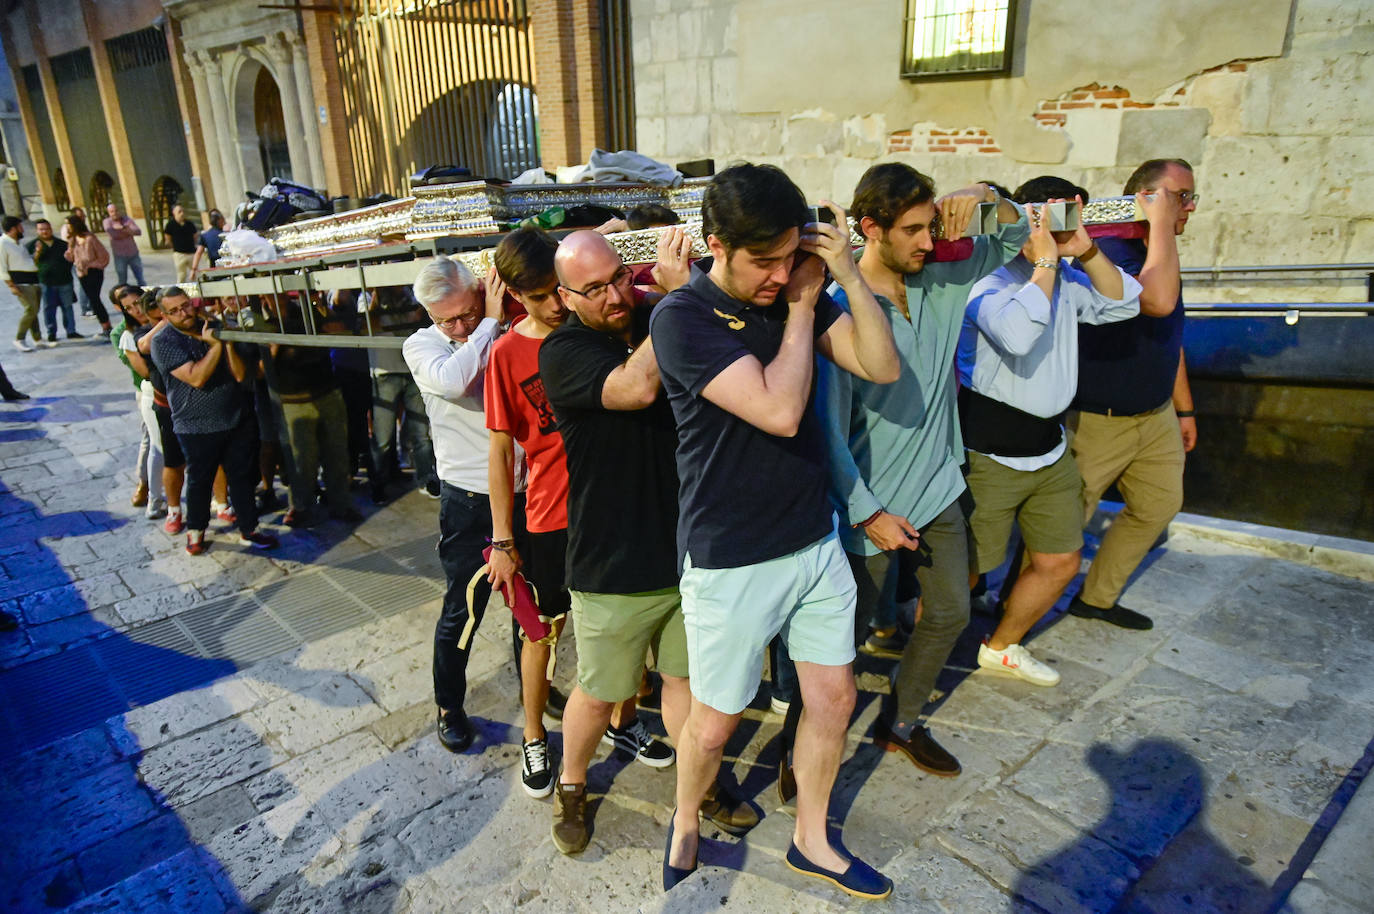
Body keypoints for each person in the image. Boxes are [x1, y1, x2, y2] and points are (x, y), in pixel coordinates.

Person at [650, 163, 900, 898]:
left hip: (813, 541)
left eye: (794, 256)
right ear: (716, 244)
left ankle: (811, 837)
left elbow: (880, 367)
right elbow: (779, 410)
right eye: (764, 260)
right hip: (731, 559)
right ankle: (687, 819)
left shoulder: (800, 288)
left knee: (833, 699)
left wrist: (847, 276)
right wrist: (798, 308)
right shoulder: (682, 318)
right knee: (715, 725)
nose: (781, 274)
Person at [540, 231, 755, 855]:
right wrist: (676, 300)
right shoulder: (565, 350)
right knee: (602, 688)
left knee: (686, 684)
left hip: (687, 551)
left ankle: (700, 786)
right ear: (565, 296)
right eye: (595, 288)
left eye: (619, 277)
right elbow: (635, 388)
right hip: (612, 559)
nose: (615, 294)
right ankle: (573, 786)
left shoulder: (653, 317)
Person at [816, 164, 1028, 778]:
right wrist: (868, 513)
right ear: (870, 229)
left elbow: (1016, 237)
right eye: (913, 230)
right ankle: (806, 741)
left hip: (939, 487)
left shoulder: (943, 277)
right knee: (841, 645)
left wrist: (985, 195)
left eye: (931, 226)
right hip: (872, 507)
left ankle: (900, 723)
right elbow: (827, 432)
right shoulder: (838, 310)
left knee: (951, 615)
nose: (928, 242)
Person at [957, 177, 1141, 687]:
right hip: (990, 455)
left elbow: (1124, 303)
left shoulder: (1065, 277)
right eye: (1049, 219)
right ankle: (924, 649)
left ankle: (1001, 646)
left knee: (1060, 560)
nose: (1057, 231)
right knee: (967, 572)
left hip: (1051, 451)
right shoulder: (986, 279)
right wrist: (1042, 260)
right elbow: (1016, 335)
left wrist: (1086, 250)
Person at [1066, 159, 1200, 630]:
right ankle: (1016, 611)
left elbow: (1170, 335)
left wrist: (1184, 408)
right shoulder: (1109, 248)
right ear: (1143, 197)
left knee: (1158, 506)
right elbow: (1155, 300)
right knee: (1062, 528)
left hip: (1156, 413)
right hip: (1097, 419)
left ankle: (1096, 598)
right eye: (1177, 196)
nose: (1186, 208)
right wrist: (1160, 225)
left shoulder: (1160, 250)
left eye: (1190, 197)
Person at [402, 257, 512, 753]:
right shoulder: (423, 345)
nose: (462, 326)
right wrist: (488, 322)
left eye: (468, 313)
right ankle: (450, 703)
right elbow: (455, 382)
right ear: (429, 314)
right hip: (470, 495)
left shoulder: (501, 327)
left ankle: (538, 683)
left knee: (535, 602)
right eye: (449, 320)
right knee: (464, 607)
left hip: (526, 488)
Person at [484, 226, 573, 800]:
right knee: (539, 633)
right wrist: (501, 540)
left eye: (560, 288)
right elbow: (500, 451)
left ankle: (620, 722)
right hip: (547, 518)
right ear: (517, 295)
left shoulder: (590, 325)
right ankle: (535, 734)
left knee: (615, 622)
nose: (557, 303)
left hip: (610, 508)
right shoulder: (507, 354)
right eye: (542, 295)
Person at [149, 287, 277, 554]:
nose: (184, 313)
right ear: (164, 315)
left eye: (185, 305)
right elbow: (196, 377)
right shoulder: (164, 341)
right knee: (200, 480)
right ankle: (195, 531)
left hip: (236, 416)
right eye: (175, 310)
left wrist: (226, 342)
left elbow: (241, 375)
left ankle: (249, 529)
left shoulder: (214, 325)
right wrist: (216, 346)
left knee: (241, 477)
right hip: (195, 423)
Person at [136, 290, 188, 533]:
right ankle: (169, 507)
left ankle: (220, 502)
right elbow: (145, 346)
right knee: (170, 458)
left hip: (194, 403)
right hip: (166, 405)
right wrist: (167, 321)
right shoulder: (145, 333)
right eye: (169, 312)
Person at [28, 220, 81, 343]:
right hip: (46, 282)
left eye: (46, 228)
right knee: (49, 308)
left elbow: (71, 260)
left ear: (51, 229)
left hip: (64, 280)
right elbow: (30, 263)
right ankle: (51, 332)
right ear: (37, 231)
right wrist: (37, 252)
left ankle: (71, 331)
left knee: (67, 307)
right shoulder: (32, 245)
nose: (45, 231)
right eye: (41, 229)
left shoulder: (62, 244)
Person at [2, 216, 46, 351]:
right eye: (20, 227)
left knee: (34, 311)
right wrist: (11, 285)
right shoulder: (3, 243)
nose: (22, 229)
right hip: (21, 283)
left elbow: (29, 262)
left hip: (33, 281)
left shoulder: (18, 244)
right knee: (30, 310)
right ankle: (19, 338)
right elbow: (2, 267)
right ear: (13, 229)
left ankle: (37, 338)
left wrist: (37, 253)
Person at [64, 214, 112, 333]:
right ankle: (105, 325)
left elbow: (104, 256)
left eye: (68, 224)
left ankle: (106, 325)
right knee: (92, 299)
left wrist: (92, 265)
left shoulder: (90, 238)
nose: (67, 227)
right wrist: (69, 251)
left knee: (94, 299)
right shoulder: (72, 240)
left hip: (94, 271)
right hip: (81, 273)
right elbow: (71, 258)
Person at [104, 203, 145, 286]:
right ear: (109, 213)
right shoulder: (107, 222)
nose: (115, 213)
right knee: (122, 280)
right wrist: (127, 230)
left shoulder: (127, 220)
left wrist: (121, 230)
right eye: (112, 212)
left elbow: (138, 231)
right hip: (120, 255)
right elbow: (113, 235)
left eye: (116, 211)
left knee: (140, 278)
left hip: (133, 253)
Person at [163, 205, 199, 282]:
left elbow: (195, 236)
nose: (182, 213)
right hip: (179, 254)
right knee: (181, 275)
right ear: (174, 213)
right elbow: (168, 238)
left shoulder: (189, 224)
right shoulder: (170, 225)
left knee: (196, 274)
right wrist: (175, 247)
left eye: (183, 211)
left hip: (191, 253)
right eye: (179, 212)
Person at [190, 210, 226, 279]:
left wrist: (193, 269)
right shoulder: (225, 235)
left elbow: (198, 253)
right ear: (220, 220)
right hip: (228, 268)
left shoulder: (205, 236)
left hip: (214, 269)